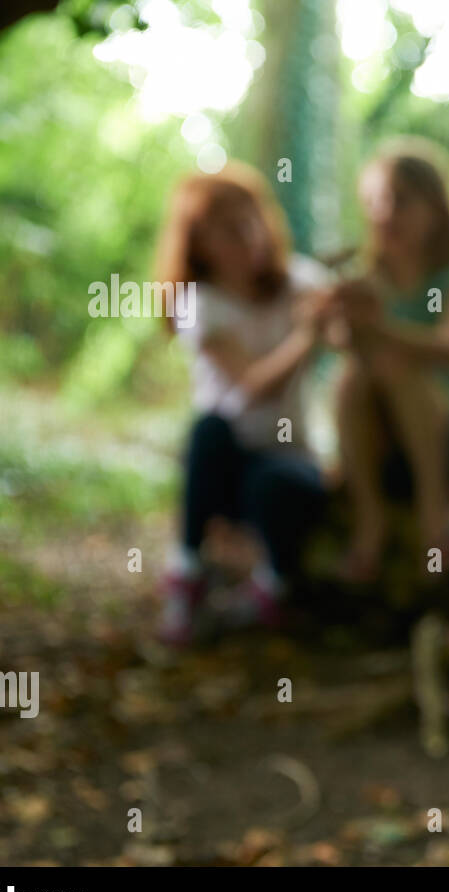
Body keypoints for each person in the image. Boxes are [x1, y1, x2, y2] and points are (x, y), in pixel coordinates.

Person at [155, 163, 336, 645]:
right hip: (226, 465)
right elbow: (254, 386)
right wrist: (305, 337)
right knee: (208, 430)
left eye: (252, 221)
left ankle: (273, 586)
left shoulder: (301, 280)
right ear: (201, 245)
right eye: (231, 230)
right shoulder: (200, 303)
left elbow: (342, 331)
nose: (249, 237)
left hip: (291, 460)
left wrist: (341, 309)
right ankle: (186, 569)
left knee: (278, 481)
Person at [333, 139, 449, 584]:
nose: (384, 213)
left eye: (398, 201)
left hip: (446, 430)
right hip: (381, 434)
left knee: (394, 367)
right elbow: (344, 347)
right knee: (353, 378)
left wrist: (378, 328)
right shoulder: (363, 277)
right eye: (375, 201)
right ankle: (370, 518)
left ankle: (435, 515)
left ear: (433, 209)